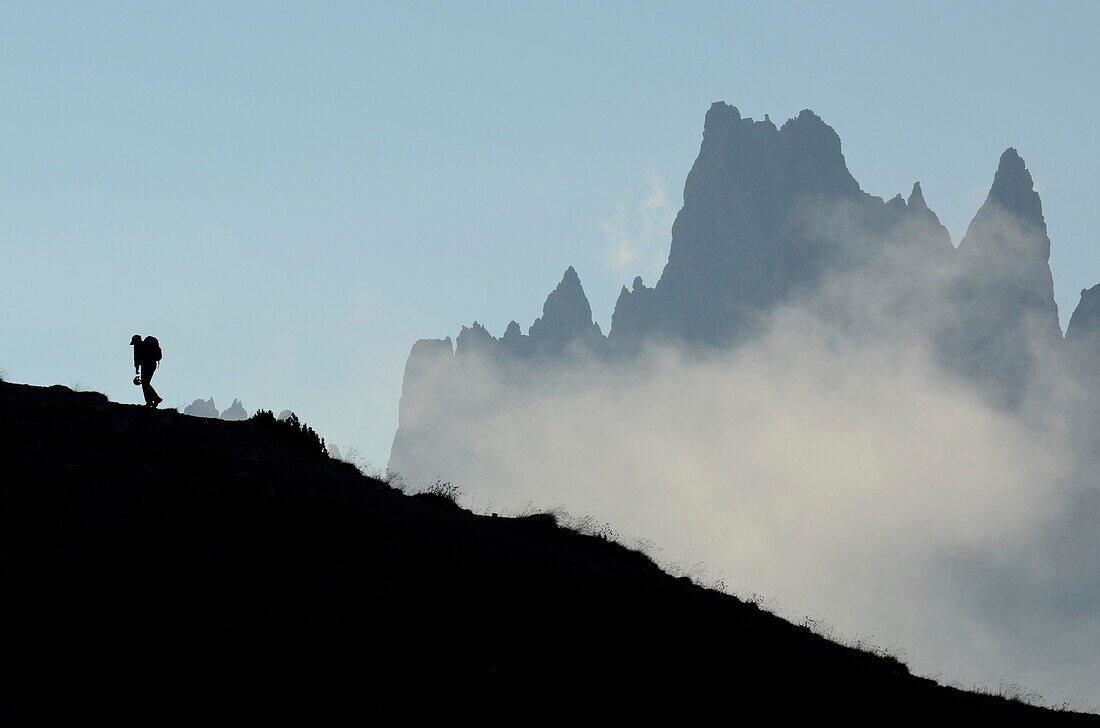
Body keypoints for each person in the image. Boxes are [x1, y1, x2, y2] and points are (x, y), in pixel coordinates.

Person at [130, 334, 163, 408]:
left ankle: (154, 399)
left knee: (145, 383)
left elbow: (136, 358)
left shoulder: (138, 346)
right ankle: (152, 401)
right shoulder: (146, 345)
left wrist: (136, 369)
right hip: (152, 364)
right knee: (145, 383)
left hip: (146, 365)